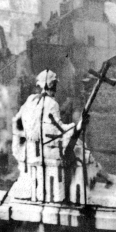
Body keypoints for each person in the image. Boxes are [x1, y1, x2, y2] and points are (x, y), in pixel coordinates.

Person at [12, 70, 87, 203]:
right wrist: (79, 125)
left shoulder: (30, 99)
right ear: (53, 86)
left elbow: (16, 122)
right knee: (81, 149)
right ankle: (77, 192)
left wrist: (23, 138)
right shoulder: (52, 104)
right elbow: (58, 132)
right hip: (47, 153)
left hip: (28, 151)